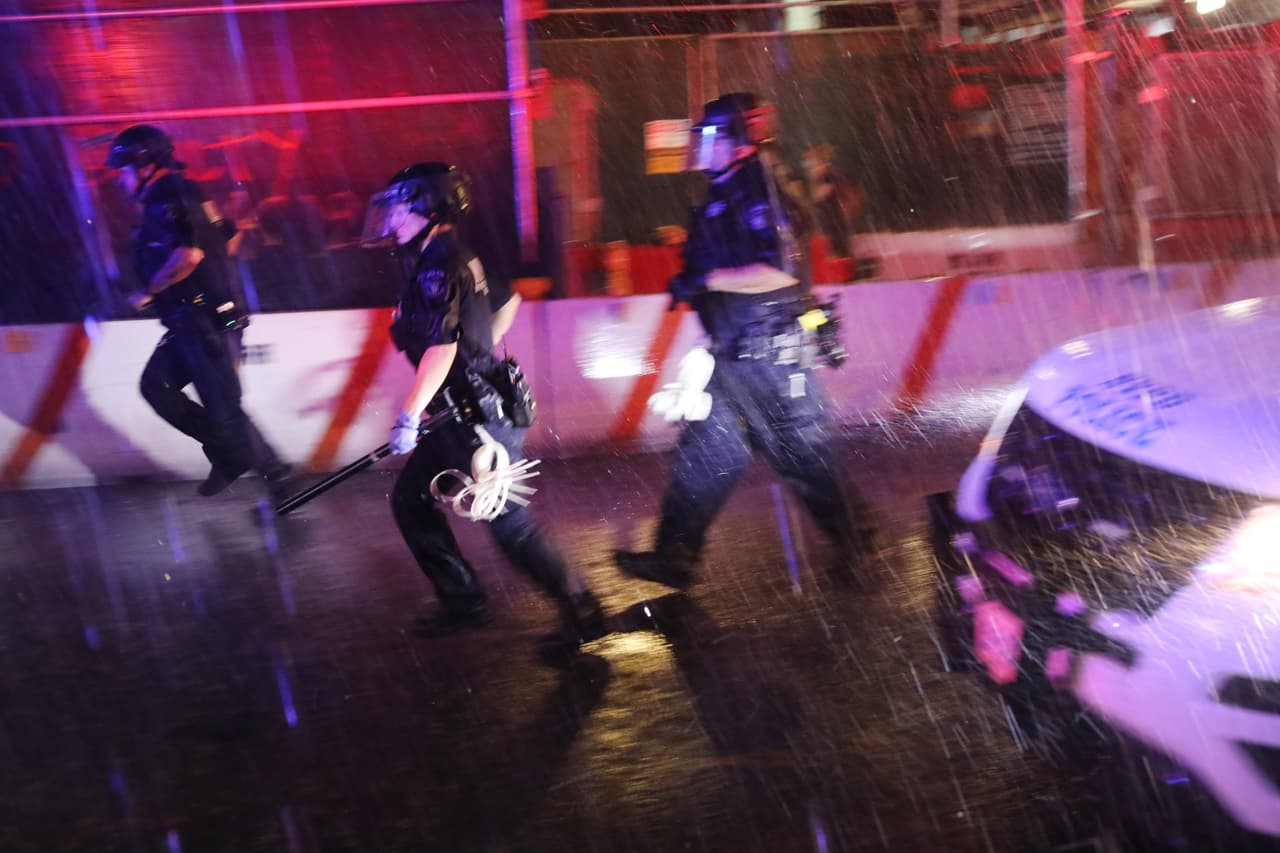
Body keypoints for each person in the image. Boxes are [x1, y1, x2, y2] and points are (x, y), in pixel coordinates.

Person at [614, 94, 875, 589]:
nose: (699, 147)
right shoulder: (724, 189)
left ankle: (858, 537)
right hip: (736, 348)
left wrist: (705, 280)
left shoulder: (758, 187)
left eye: (708, 137)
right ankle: (676, 556)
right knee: (707, 452)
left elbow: (774, 268)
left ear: (734, 143)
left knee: (802, 454)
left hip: (768, 351)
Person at [363, 162, 605, 649]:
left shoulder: (440, 262)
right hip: (459, 409)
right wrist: (480, 354)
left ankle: (583, 608)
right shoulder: (443, 255)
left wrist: (411, 413)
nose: (391, 218)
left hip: (477, 421)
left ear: (426, 206)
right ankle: (464, 601)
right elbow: (505, 299)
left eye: (399, 207)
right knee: (412, 501)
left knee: (510, 529)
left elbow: (442, 346)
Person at [106, 124, 291, 500]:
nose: (122, 181)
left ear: (144, 164)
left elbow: (189, 254)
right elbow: (228, 236)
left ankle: (275, 476)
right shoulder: (186, 193)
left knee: (223, 407)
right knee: (159, 388)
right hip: (192, 318)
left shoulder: (168, 195)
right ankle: (230, 452)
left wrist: (149, 289)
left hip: (204, 321)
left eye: (124, 170)